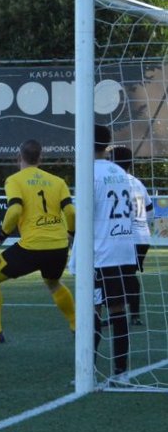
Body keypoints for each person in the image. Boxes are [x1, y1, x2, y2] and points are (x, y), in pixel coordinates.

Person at [0, 139, 75, 343]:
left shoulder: (14, 180)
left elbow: (15, 210)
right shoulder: (58, 181)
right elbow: (70, 212)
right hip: (58, 247)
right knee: (53, 283)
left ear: (18, 157)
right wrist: (71, 234)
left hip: (32, 247)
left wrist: (0, 237)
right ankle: (77, 325)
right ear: (41, 158)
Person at [92, 126, 139, 381]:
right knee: (118, 310)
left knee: (93, 309)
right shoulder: (120, 173)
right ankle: (121, 371)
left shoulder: (90, 173)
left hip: (101, 252)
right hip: (123, 249)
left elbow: (82, 216)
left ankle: (87, 370)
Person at [110, 146, 152, 326]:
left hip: (125, 236)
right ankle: (132, 314)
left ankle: (119, 313)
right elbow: (149, 209)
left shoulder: (113, 181)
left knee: (119, 275)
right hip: (142, 236)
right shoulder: (137, 182)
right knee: (128, 274)